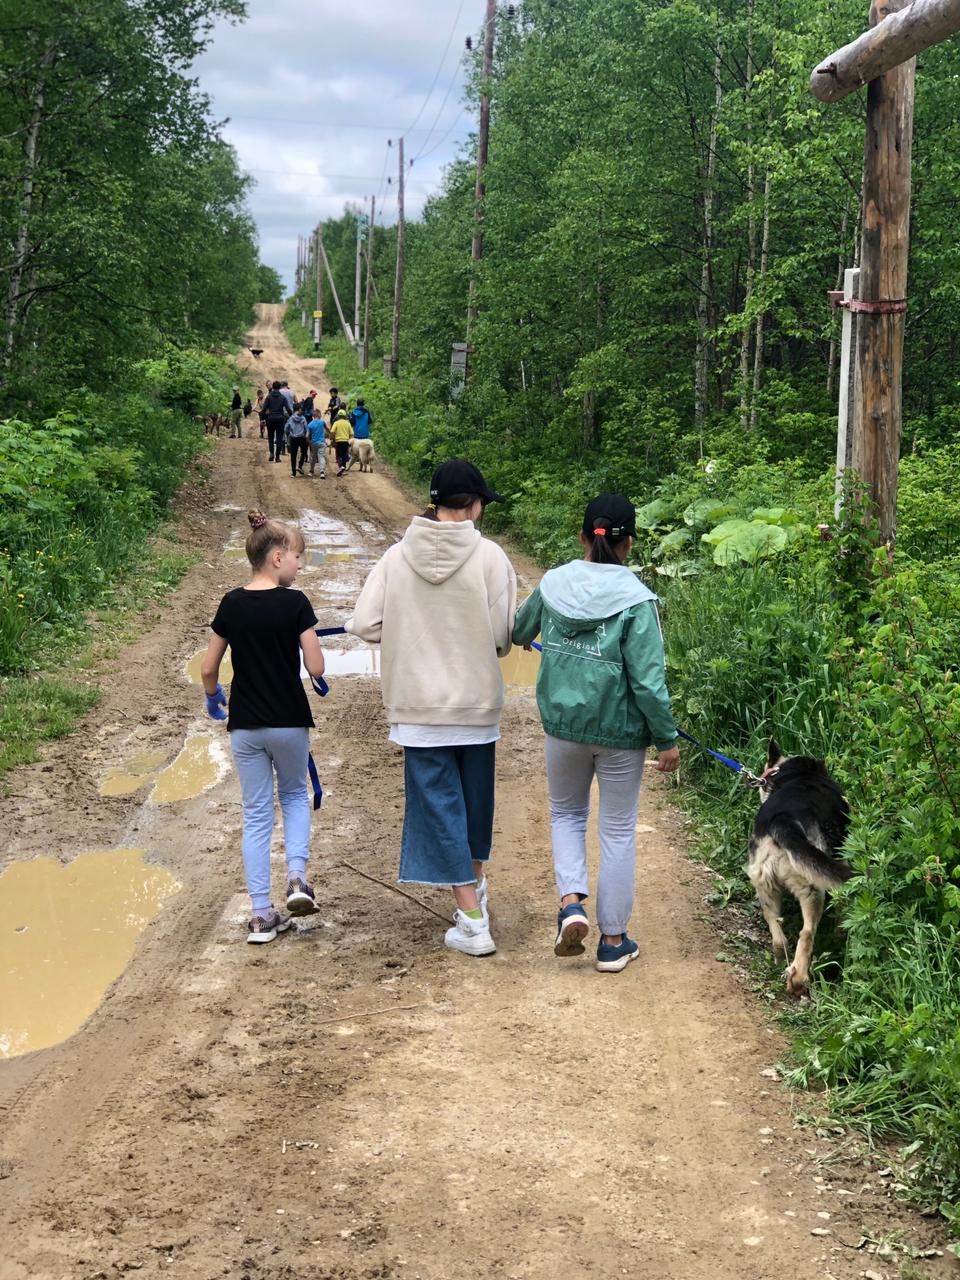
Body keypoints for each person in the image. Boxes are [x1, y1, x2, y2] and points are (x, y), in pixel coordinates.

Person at [347, 460, 517, 957]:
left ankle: (470, 910)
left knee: (440, 805)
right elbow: (503, 638)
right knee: (475, 804)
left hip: (417, 707)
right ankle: (472, 905)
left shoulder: (396, 557)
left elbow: (363, 623)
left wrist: (403, 633)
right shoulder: (490, 557)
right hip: (477, 704)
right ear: (474, 505)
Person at [512, 493, 680, 974]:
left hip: (563, 729)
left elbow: (521, 630)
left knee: (566, 815)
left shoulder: (553, 583)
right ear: (629, 542)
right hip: (621, 735)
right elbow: (648, 682)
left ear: (584, 536)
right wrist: (666, 739)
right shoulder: (638, 600)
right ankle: (613, 941)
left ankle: (571, 905)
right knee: (618, 830)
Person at [200, 509, 327, 943]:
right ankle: (296, 878)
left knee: (256, 813)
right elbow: (316, 664)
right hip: (289, 721)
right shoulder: (296, 603)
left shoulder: (231, 604)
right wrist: (306, 652)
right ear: (276, 558)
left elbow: (208, 668)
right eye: (297, 557)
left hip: (246, 724)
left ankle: (259, 915)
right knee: (293, 794)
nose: (299, 565)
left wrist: (214, 697)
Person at [262, 381, 289, 462]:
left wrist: (263, 418)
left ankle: (271, 453)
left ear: (273, 387)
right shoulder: (283, 398)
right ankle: (277, 457)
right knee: (279, 438)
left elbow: (264, 409)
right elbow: (288, 409)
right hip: (280, 419)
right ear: (280, 387)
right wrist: (291, 415)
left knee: (270, 437)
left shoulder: (269, 397)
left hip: (270, 419)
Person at [285, 406, 309, 477]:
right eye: (301, 409)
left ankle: (293, 473)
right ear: (298, 410)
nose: (302, 410)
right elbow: (306, 428)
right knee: (304, 451)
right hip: (302, 438)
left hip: (293, 438)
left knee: (293, 455)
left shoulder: (290, 419)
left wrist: (288, 435)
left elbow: (286, 429)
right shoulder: (303, 418)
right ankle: (300, 465)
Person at [329, 409, 353, 476]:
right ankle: (343, 468)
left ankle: (340, 467)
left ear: (338, 416)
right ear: (345, 416)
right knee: (344, 455)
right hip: (346, 441)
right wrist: (349, 439)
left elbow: (332, 431)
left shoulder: (336, 423)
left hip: (338, 441)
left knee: (338, 455)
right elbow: (352, 433)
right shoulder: (348, 423)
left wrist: (332, 438)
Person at [307, 410, 327, 478]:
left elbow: (307, 436)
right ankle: (322, 472)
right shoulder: (322, 422)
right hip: (322, 442)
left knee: (313, 458)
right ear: (318, 415)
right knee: (321, 457)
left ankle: (311, 471)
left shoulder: (310, 424)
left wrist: (309, 442)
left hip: (314, 443)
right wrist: (331, 435)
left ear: (313, 416)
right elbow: (327, 429)